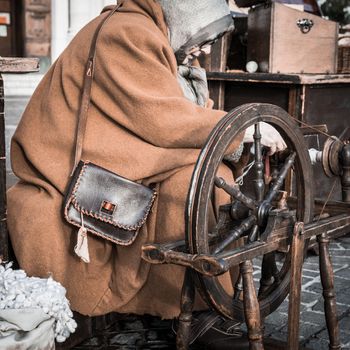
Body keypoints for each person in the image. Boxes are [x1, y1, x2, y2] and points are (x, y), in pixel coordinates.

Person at [7, 0, 285, 320]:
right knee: (197, 182)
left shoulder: (136, 30)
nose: (203, 51)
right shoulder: (129, 33)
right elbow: (161, 120)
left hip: (91, 154)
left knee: (202, 173)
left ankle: (195, 304)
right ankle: (195, 305)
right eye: (201, 39)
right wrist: (240, 129)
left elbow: (156, 114)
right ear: (187, 16)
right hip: (62, 172)